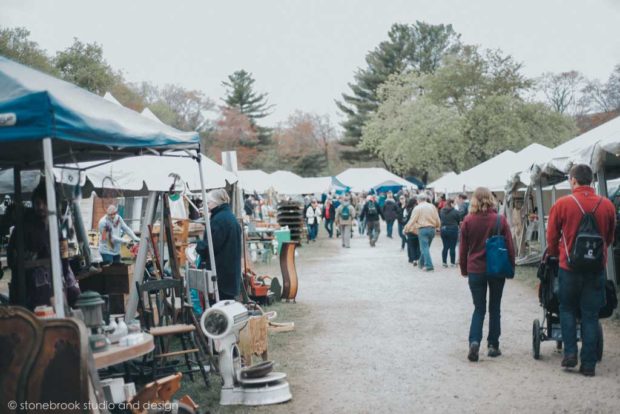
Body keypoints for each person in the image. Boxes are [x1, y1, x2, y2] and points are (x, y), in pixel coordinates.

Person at [546, 164, 615, 376]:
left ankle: (569, 354)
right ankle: (589, 365)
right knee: (590, 315)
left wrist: (556, 253)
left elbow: (551, 238)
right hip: (596, 269)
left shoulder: (563, 203)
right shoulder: (607, 205)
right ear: (592, 180)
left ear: (573, 180)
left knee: (566, 309)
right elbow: (610, 238)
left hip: (569, 268)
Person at [459, 187, 515, 362]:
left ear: (474, 200)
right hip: (496, 269)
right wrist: (510, 268)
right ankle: (493, 345)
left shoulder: (468, 221)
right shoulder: (500, 220)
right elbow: (510, 247)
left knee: (479, 309)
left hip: (476, 269)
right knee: (495, 308)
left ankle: (474, 341)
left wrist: (464, 269)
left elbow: (463, 250)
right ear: (491, 199)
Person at [7, 183, 81, 310]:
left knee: (74, 294)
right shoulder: (24, 228)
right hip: (32, 283)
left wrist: (65, 270)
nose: (40, 207)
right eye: (37, 203)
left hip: (56, 274)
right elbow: (12, 258)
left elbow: (63, 254)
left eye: (44, 203)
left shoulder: (57, 225)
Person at [196, 189, 242, 301]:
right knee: (227, 306)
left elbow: (210, 247)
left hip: (221, 274)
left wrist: (198, 246)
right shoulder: (229, 217)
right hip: (229, 271)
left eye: (208, 202)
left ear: (216, 203)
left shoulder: (219, 220)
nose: (206, 205)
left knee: (220, 309)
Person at [405, 193, 440, 271]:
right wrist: (438, 226)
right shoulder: (432, 206)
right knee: (426, 248)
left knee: (424, 248)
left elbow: (412, 220)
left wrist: (406, 229)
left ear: (418, 200)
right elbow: (437, 218)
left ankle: (429, 266)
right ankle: (421, 263)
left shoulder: (417, 208)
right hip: (432, 229)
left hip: (423, 230)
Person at [440, 199, 462, 267]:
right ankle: (452, 263)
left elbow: (441, 219)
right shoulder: (456, 212)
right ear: (451, 203)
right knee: (452, 247)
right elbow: (459, 220)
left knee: (445, 246)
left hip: (443, 229)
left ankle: (444, 262)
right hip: (453, 229)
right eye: (454, 203)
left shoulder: (442, 211)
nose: (455, 204)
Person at [403, 198, 420, 265]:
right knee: (417, 244)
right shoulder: (417, 210)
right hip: (417, 228)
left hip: (409, 228)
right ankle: (417, 258)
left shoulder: (407, 209)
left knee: (411, 245)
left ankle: (412, 259)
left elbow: (405, 219)